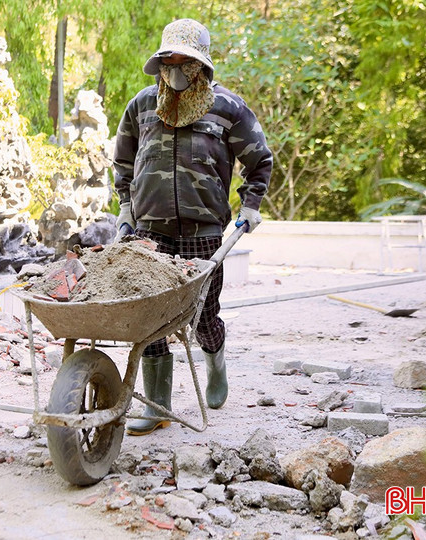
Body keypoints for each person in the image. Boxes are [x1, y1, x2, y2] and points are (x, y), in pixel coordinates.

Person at [112, 18, 272, 436]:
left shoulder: (229, 109)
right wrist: (126, 209)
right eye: (170, 60)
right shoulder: (143, 105)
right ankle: (158, 404)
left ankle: (215, 362)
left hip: (203, 233)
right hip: (149, 232)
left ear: (202, 64)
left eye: (186, 61)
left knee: (202, 316)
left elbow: (260, 162)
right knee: (149, 319)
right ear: (161, 63)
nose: (177, 69)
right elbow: (124, 163)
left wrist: (250, 205)